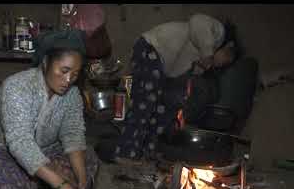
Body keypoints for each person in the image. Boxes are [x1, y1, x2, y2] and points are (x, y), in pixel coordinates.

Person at [0, 29, 99, 189]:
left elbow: (73, 135)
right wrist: (59, 183)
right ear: (46, 62)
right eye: (64, 70)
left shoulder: (72, 94)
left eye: (76, 73)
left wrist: (83, 181)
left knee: (89, 157)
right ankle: (49, 178)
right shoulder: (17, 86)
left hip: (48, 150)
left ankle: (44, 176)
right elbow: (20, 141)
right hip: (5, 152)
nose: (69, 79)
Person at [97, 13, 238, 162]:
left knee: (164, 110)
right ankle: (125, 153)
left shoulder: (203, 61)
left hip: (164, 70)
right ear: (228, 47)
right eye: (225, 61)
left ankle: (147, 154)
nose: (220, 64)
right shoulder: (217, 33)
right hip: (151, 49)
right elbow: (197, 21)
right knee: (144, 105)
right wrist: (208, 54)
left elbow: (185, 79)